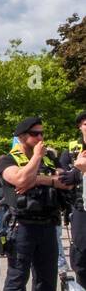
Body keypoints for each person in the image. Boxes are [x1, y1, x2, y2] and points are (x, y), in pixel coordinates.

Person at [0, 116, 73, 291]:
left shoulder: (51, 158)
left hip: (48, 224)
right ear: (22, 137)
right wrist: (37, 160)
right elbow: (19, 179)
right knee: (18, 276)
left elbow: (65, 181)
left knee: (47, 277)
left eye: (42, 133)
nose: (41, 138)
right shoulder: (7, 159)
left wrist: (39, 179)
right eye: (35, 134)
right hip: (22, 225)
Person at [58, 110, 86, 281]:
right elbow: (62, 176)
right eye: (85, 123)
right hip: (80, 207)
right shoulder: (70, 150)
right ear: (80, 126)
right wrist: (76, 171)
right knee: (81, 255)